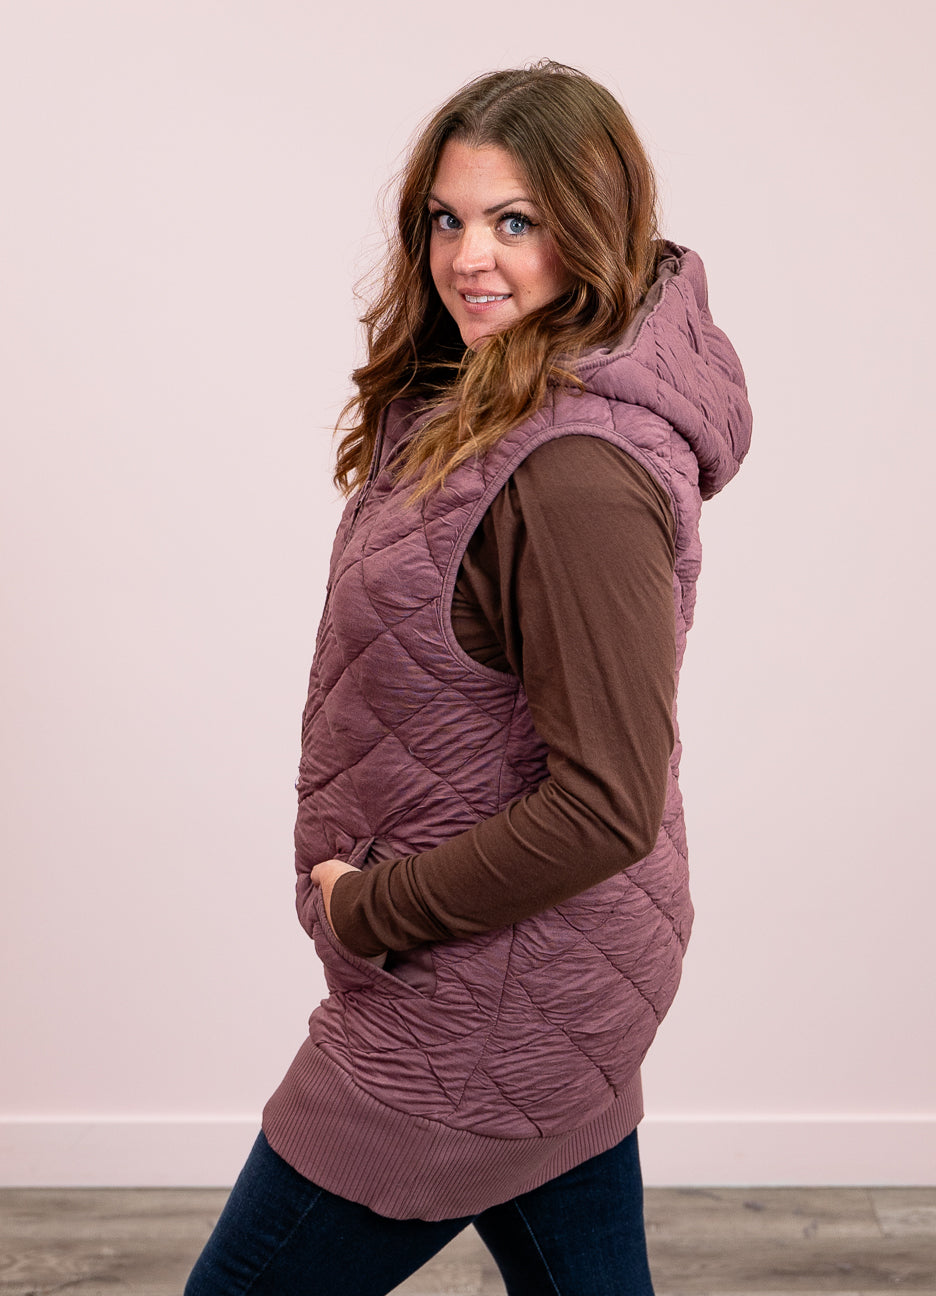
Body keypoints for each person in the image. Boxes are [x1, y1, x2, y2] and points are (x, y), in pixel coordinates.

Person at [185, 60, 751, 1296]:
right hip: (534, 981)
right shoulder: (490, 403)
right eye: (448, 219)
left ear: (592, 229)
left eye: (516, 222)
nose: (469, 259)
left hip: (481, 988)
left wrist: (369, 911)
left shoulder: (575, 471)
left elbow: (606, 803)